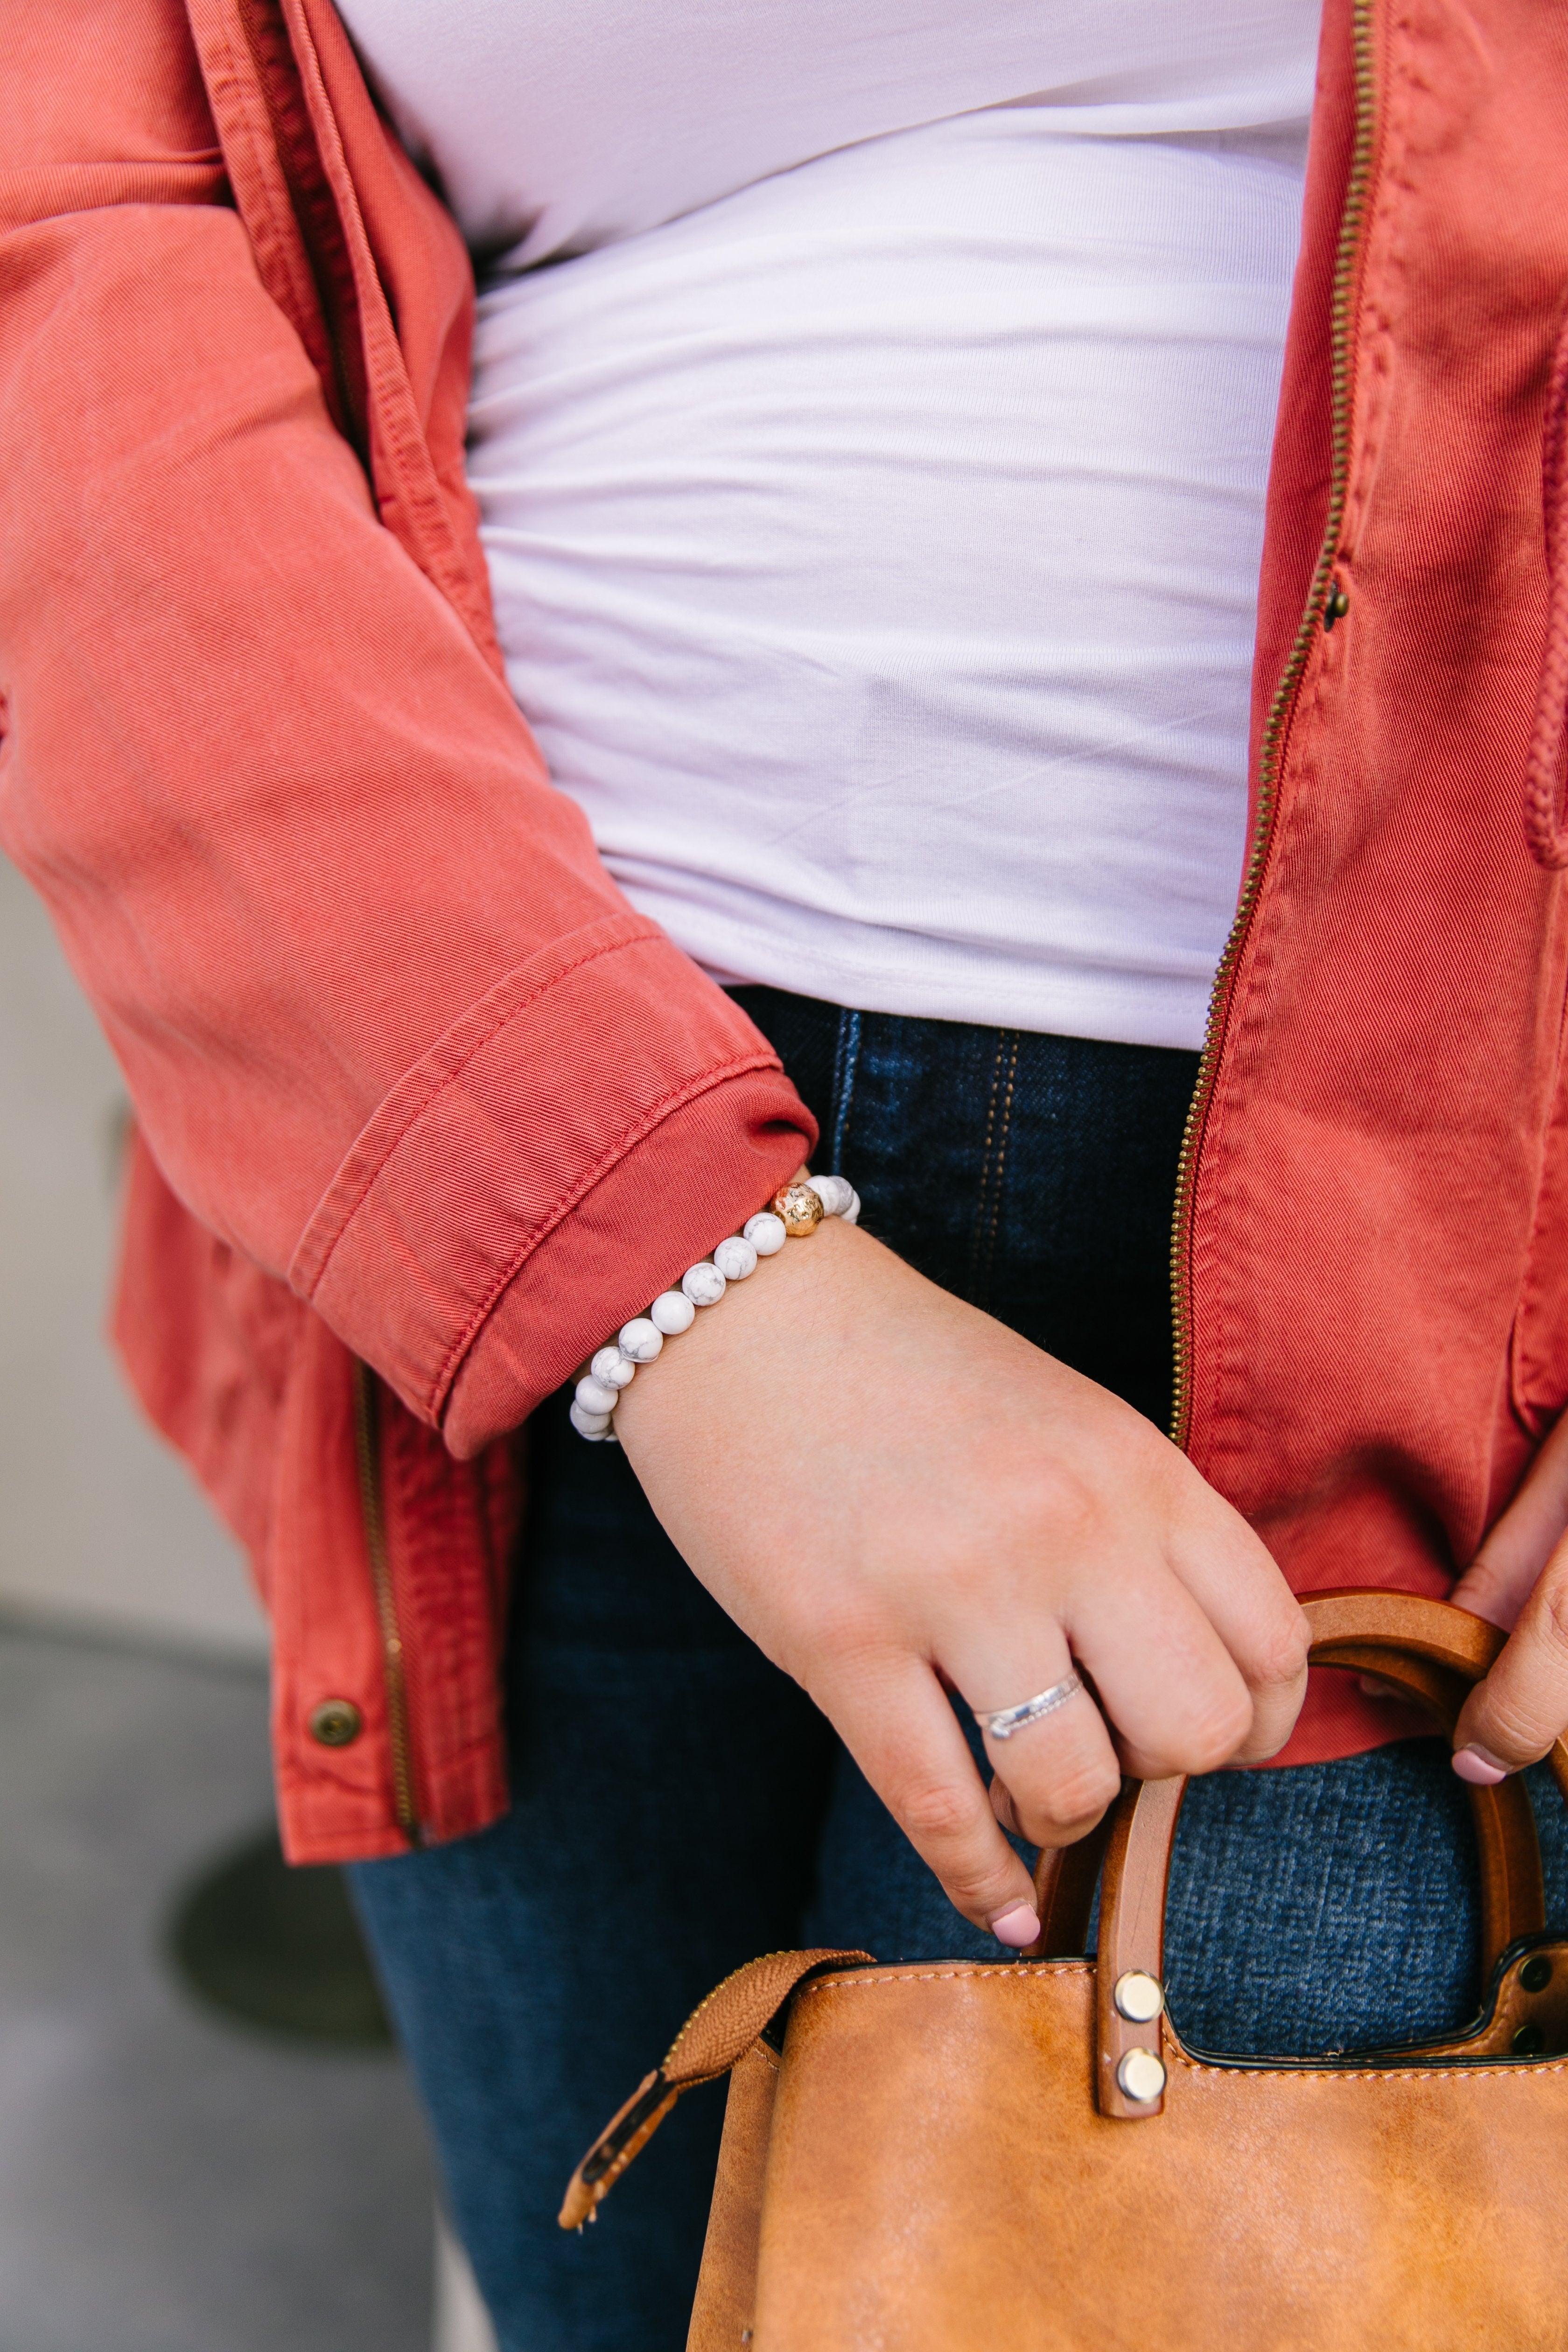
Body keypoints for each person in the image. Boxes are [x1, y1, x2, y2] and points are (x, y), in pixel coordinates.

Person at [8, 1, 1568, 2345]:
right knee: (615, 2298)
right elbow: (72, 280)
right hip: (484, 1256)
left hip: (1434, 1302)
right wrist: (671, 1274)